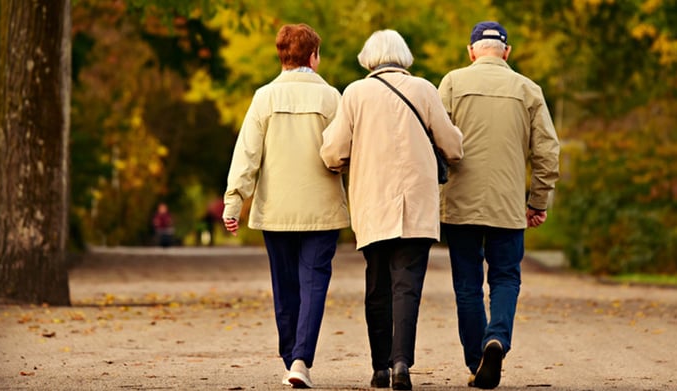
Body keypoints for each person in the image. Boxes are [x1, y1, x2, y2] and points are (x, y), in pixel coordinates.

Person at [320, 29, 463, 390]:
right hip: (416, 204)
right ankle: (402, 362)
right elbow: (453, 146)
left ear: (368, 58)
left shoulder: (354, 93)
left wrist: (345, 160)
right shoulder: (425, 89)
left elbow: (333, 150)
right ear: (404, 56)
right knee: (407, 286)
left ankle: (380, 367)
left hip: (373, 203)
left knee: (377, 285)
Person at [222, 23, 349, 389]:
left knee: (285, 286)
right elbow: (342, 152)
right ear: (313, 56)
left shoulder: (264, 98)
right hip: (321, 210)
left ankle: (289, 353)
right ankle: (300, 359)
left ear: (282, 56)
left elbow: (247, 154)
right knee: (314, 285)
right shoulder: (332, 98)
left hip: (276, 210)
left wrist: (234, 203)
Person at [437, 21, 560, 389]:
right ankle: (497, 339)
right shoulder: (528, 89)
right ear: (507, 52)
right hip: (508, 206)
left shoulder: (453, 84)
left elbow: (435, 141)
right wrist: (537, 200)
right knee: (505, 278)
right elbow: (547, 152)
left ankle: (477, 360)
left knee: (468, 285)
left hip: (460, 205)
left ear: (471, 50)